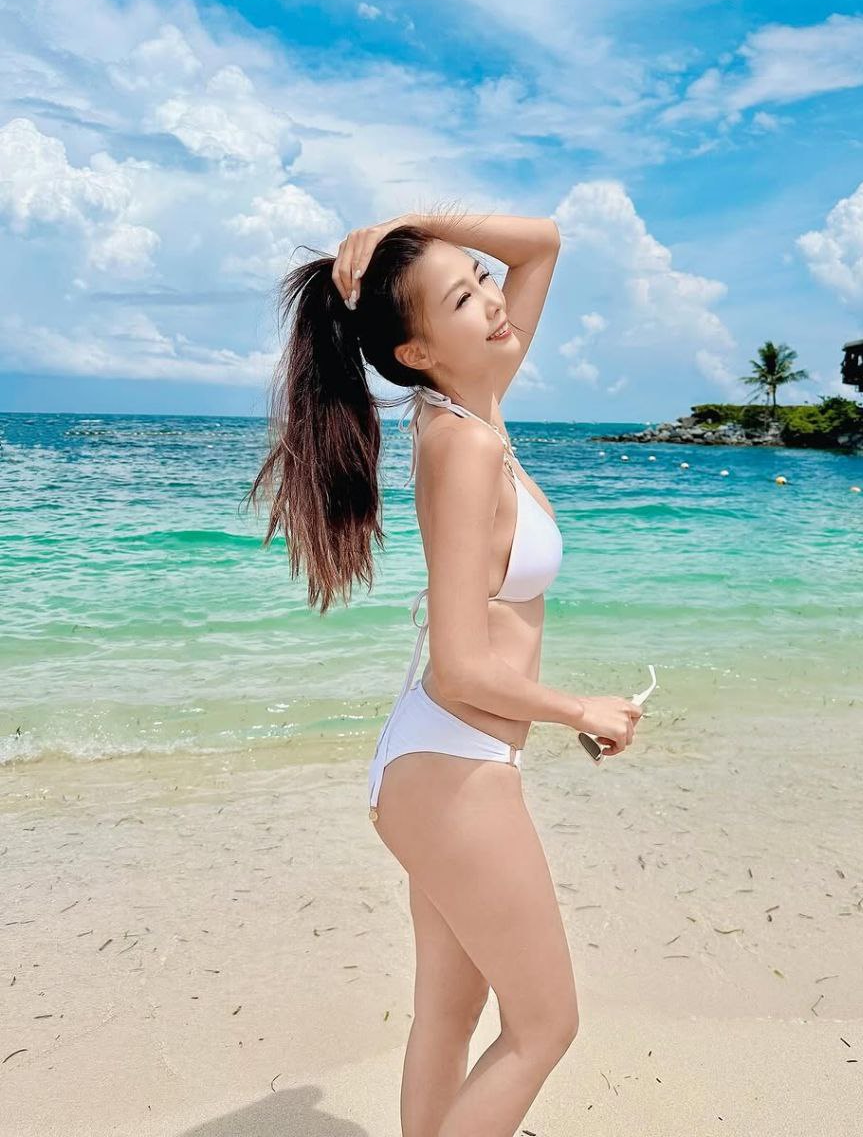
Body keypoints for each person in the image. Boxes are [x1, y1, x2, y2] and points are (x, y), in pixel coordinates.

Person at [246, 204, 642, 1137]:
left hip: (438, 765)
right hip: (454, 768)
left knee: (451, 1014)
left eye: (482, 278)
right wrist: (580, 708)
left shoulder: (474, 397)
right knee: (544, 1026)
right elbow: (462, 666)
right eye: (462, 299)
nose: (495, 302)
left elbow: (541, 243)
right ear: (417, 351)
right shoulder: (463, 442)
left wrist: (404, 225)